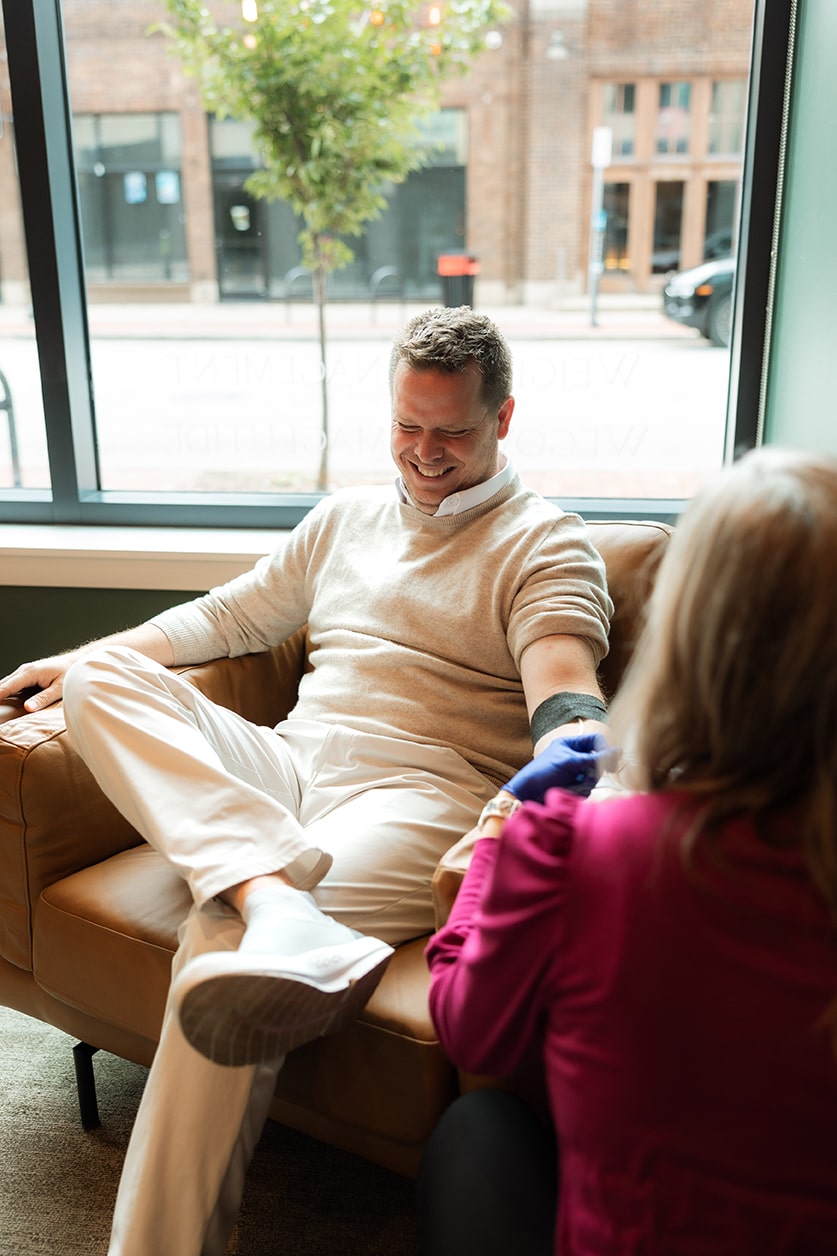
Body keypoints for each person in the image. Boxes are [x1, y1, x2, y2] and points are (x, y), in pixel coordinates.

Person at [0, 306, 613, 1256]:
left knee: (222, 939)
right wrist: (79, 658)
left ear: (503, 418)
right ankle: (271, 890)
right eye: (407, 426)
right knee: (100, 676)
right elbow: (224, 619)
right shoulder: (347, 518)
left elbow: (565, 692)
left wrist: (572, 761)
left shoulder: (546, 544)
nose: (424, 452)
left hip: (420, 797)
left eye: (451, 430)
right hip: (290, 768)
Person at [420, 446, 837, 1256]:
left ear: (688, 636)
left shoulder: (576, 854)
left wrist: (501, 833)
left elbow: (468, 1031)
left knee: (477, 1128)